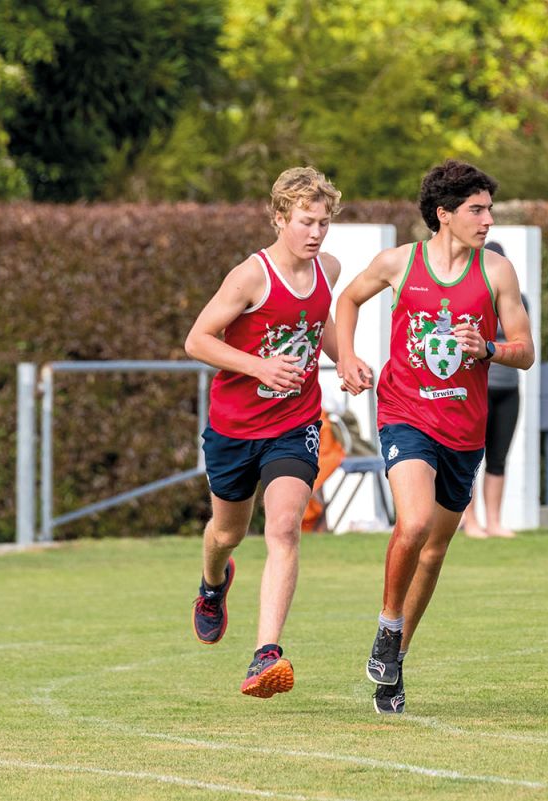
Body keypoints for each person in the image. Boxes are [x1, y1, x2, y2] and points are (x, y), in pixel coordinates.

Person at [334, 160, 534, 715]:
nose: (488, 219)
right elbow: (346, 300)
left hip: (465, 431)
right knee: (415, 523)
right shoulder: (399, 263)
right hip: (405, 413)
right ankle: (386, 623)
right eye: (477, 209)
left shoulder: (497, 273)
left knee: (435, 549)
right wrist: (348, 356)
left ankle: (395, 657)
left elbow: (526, 351)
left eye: (489, 209)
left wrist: (487, 348)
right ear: (443, 215)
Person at [186, 166, 342, 697]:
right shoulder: (250, 276)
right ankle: (213, 584)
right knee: (226, 533)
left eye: (323, 222)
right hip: (234, 427)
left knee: (284, 528)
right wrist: (257, 367)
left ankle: (265, 654)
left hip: (295, 422)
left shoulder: (330, 269)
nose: (316, 233)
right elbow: (198, 340)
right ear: (279, 219)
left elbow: (320, 327)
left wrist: (346, 360)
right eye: (305, 221)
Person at [460, 241, 527, 540]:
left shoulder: (519, 298)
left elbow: (522, 341)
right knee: (472, 455)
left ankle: (495, 521)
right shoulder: (471, 297)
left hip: (509, 388)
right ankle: (471, 520)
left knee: (499, 457)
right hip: (478, 387)